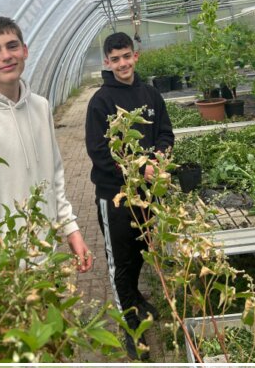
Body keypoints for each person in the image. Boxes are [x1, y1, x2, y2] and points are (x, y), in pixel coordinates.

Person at [0, 16, 92, 273]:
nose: (6, 56)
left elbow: (53, 176)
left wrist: (71, 228)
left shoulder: (40, 107)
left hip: (44, 257)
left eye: (12, 46)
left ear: (24, 50)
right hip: (0, 271)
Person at [85, 32, 174, 359]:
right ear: (107, 62)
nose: (122, 63)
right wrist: (137, 168)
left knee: (140, 251)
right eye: (115, 59)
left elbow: (165, 132)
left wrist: (159, 157)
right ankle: (131, 328)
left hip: (148, 193)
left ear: (136, 56)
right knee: (121, 262)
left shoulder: (150, 94)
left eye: (127, 56)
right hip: (116, 198)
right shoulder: (101, 102)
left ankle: (136, 298)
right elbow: (99, 153)